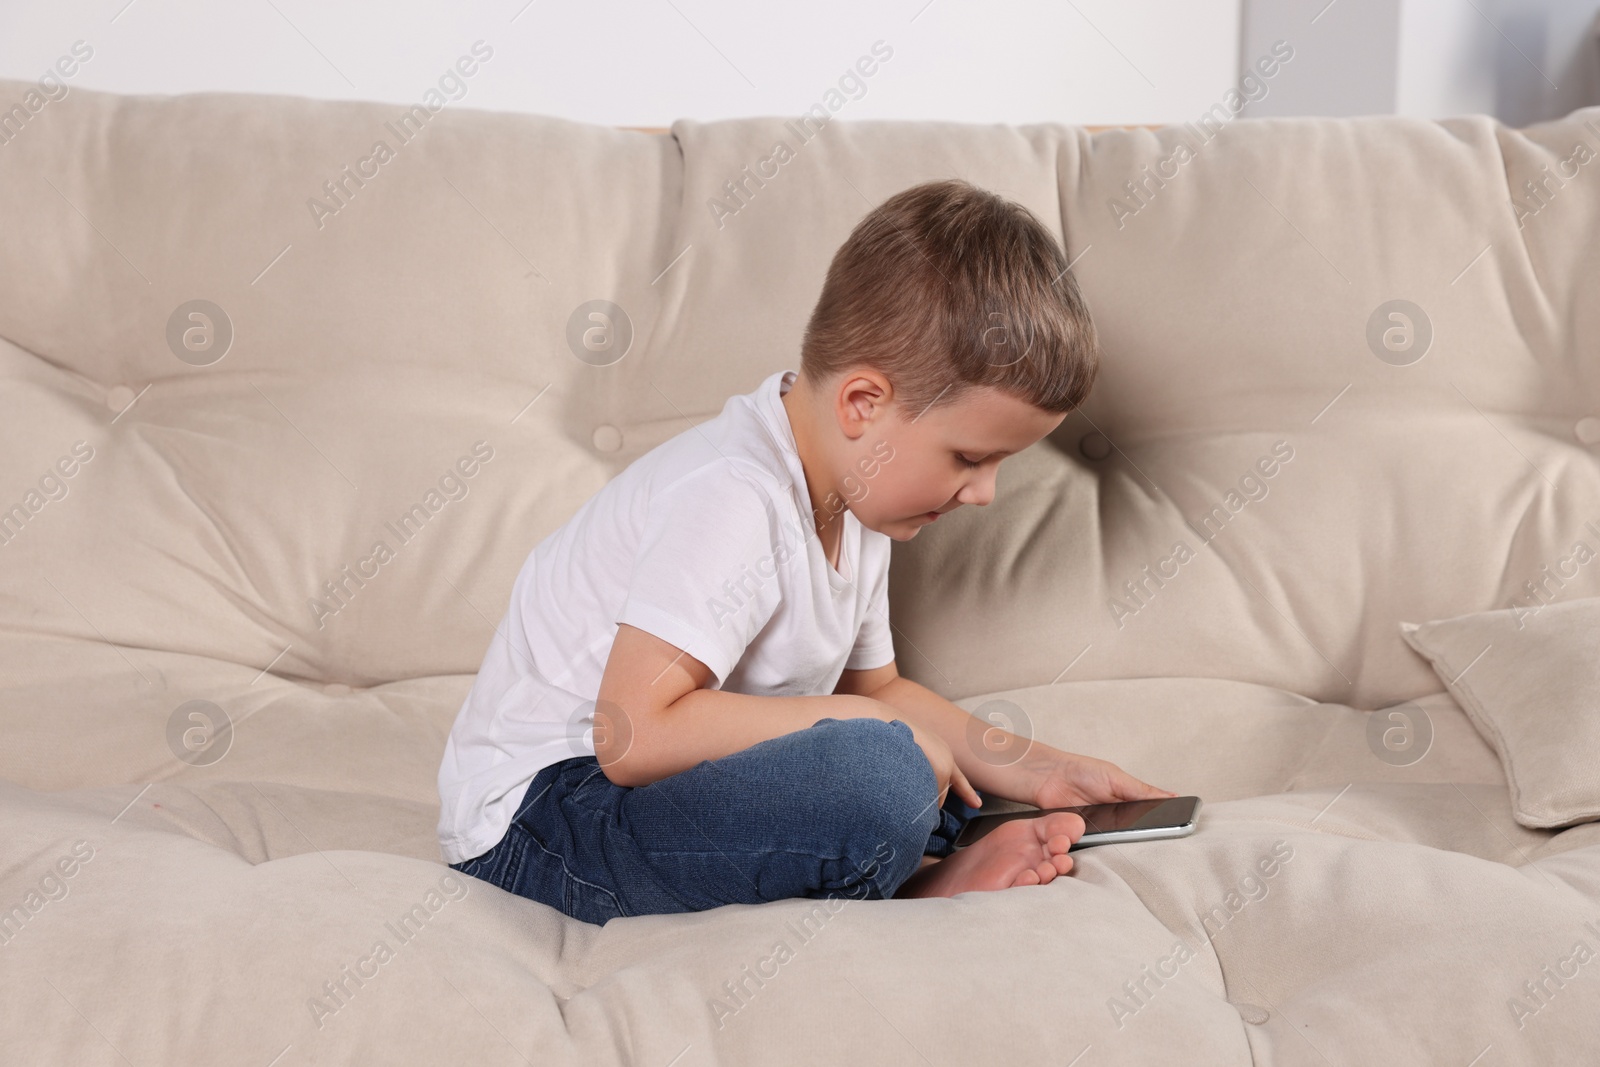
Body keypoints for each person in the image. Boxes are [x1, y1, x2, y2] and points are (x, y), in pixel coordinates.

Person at [437, 177, 1177, 925]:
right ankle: (916, 875)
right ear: (863, 404)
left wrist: (1042, 767)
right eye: (967, 457)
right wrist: (879, 735)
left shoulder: (860, 496)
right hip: (547, 820)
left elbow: (880, 690)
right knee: (884, 772)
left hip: (652, 794)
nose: (983, 493)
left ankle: (914, 847)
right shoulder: (731, 493)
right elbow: (633, 734)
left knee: (933, 775)